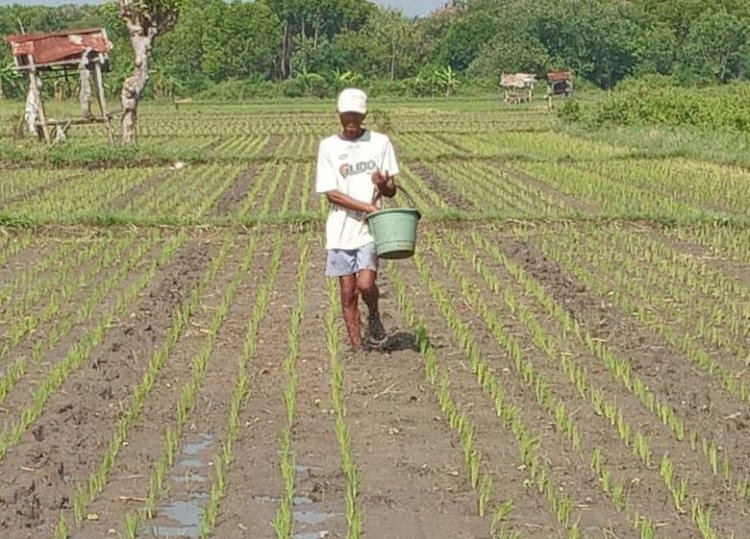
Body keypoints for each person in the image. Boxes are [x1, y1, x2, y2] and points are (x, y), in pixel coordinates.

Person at [315, 87, 399, 352]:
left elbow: (391, 190)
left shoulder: (380, 143)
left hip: (370, 228)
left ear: (364, 115)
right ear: (338, 114)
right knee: (347, 292)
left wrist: (383, 185)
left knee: (365, 283)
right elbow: (331, 194)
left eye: (356, 115)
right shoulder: (328, 146)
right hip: (340, 228)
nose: (351, 121)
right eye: (346, 115)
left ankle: (374, 314)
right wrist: (366, 206)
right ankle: (357, 348)